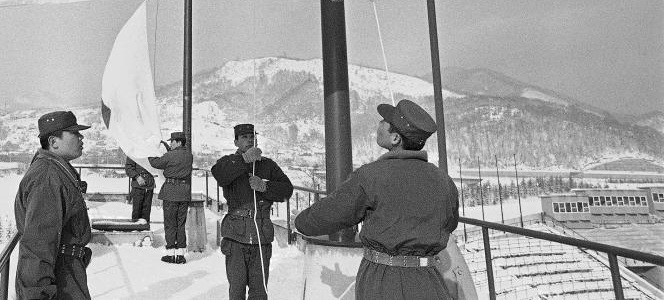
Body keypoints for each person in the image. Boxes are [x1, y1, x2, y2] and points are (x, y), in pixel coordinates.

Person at [294, 99, 460, 300]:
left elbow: (333, 212)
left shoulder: (371, 176)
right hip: (430, 279)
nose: (379, 124)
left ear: (396, 138)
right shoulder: (443, 180)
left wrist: (300, 222)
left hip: (382, 280)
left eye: (384, 121)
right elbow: (450, 223)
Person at [14, 110, 93, 300]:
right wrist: (37, 295)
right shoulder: (47, 177)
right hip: (61, 275)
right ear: (53, 142)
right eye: (74, 133)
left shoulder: (55, 170)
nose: (81, 137)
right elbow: (38, 244)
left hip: (67, 271)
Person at [211, 123, 293, 300]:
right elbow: (219, 174)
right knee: (237, 290)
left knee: (259, 292)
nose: (249, 140)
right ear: (236, 142)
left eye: (252, 136)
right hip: (236, 236)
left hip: (261, 236)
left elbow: (287, 189)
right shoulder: (229, 162)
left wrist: (265, 186)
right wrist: (244, 160)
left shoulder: (267, 165)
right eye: (244, 137)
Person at [148, 131, 193, 264]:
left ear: (178, 142)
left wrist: (149, 153)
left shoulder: (170, 155)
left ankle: (170, 252)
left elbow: (156, 163)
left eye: (172, 142)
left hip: (171, 192)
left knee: (170, 224)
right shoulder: (189, 155)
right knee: (181, 224)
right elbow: (175, 157)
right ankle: (180, 254)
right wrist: (168, 150)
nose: (170, 144)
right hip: (184, 193)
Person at [124, 155, 155, 223]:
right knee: (137, 211)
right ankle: (135, 229)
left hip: (149, 185)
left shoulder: (152, 150)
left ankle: (145, 229)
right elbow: (128, 168)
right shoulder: (134, 151)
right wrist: (137, 176)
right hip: (138, 186)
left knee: (147, 210)